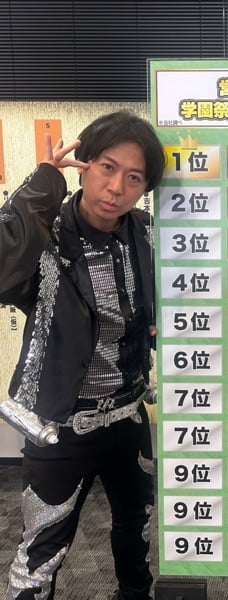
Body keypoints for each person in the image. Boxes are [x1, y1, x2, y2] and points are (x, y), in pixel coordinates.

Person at [2, 111, 165, 600]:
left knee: (137, 529)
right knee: (42, 550)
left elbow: (170, 302)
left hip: (129, 415)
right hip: (61, 426)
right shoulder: (45, 233)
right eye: (107, 168)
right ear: (84, 164)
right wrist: (43, 184)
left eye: (134, 177)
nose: (116, 187)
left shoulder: (147, 234)